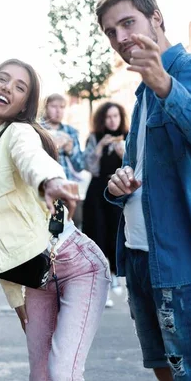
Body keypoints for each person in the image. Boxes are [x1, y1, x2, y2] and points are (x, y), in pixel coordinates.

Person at [97, 0, 191, 381]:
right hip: (142, 256)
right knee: (164, 369)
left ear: (156, 18)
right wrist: (117, 184)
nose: (120, 37)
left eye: (128, 23)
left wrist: (166, 85)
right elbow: (135, 169)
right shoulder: (141, 92)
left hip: (185, 260)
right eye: (111, 32)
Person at [0, 58, 109, 381]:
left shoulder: (19, 133)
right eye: (2, 79)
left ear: (24, 105)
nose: (8, 87)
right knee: (41, 377)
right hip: (35, 278)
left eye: (20, 87)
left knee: (63, 372)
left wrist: (52, 182)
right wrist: (18, 303)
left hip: (78, 266)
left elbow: (32, 159)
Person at [82, 101, 129, 307]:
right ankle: (104, 285)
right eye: (108, 117)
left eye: (116, 116)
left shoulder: (129, 136)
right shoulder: (94, 138)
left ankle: (117, 276)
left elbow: (135, 165)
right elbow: (89, 167)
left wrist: (122, 154)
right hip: (98, 192)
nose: (112, 120)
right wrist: (100, 147)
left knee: (117, 235)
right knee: (98, 235)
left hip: (120, 192)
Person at [37, 93, 86, 229]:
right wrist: (53, 147)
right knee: (44, 234)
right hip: (43, 191)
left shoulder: (71, 132)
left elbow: (80, 166)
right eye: (54, 106)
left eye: (62, 107)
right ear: (45, 107)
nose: (58, 111)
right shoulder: (37, 129)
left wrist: (71, 150)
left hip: (66, 191)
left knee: (66, 232)